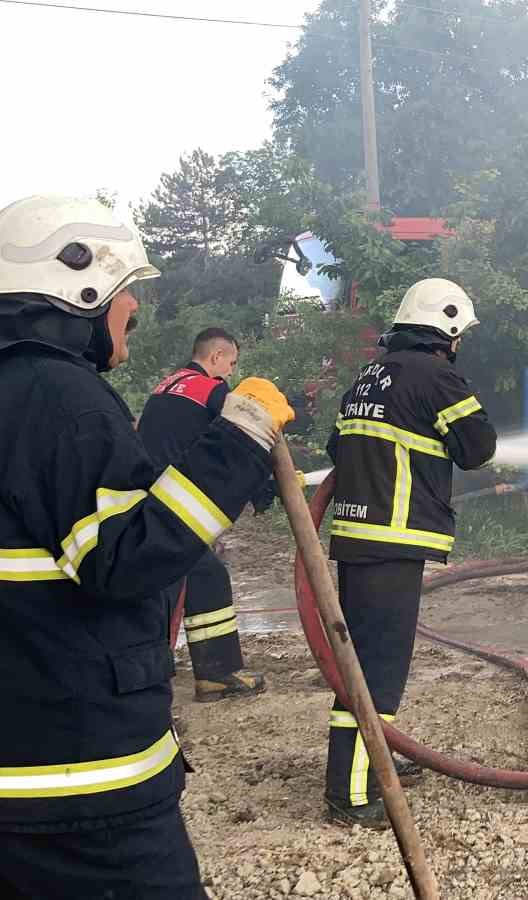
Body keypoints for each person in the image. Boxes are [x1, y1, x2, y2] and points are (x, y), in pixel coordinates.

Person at [0, 195, 294, 897]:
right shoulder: (54, 395)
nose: (134, 307)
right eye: (128, 288)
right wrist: (246, 433)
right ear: (83, 286)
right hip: (76, 794)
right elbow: (124, 556)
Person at [322, 277, 496, 827]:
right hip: (393, 537)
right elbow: (477, 448)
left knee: (367, 658)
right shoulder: (437, 376)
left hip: (356, 537)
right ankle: (350, 793)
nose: (459, 344)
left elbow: (336, 446)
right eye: (458, 333)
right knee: (378, 669)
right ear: (445, 327)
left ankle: (374, 758)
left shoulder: (367, 378)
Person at [137, 327, 271, 702]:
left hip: (145, 497)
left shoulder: (166, 385)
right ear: (214, 358)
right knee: (207, 577)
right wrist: (263, 487)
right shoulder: (213, 391)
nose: (231, 371)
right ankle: (217, 673)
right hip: (176, 500)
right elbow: (239, 442)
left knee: (166, 580)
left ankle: (159, 661)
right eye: (230, 362)